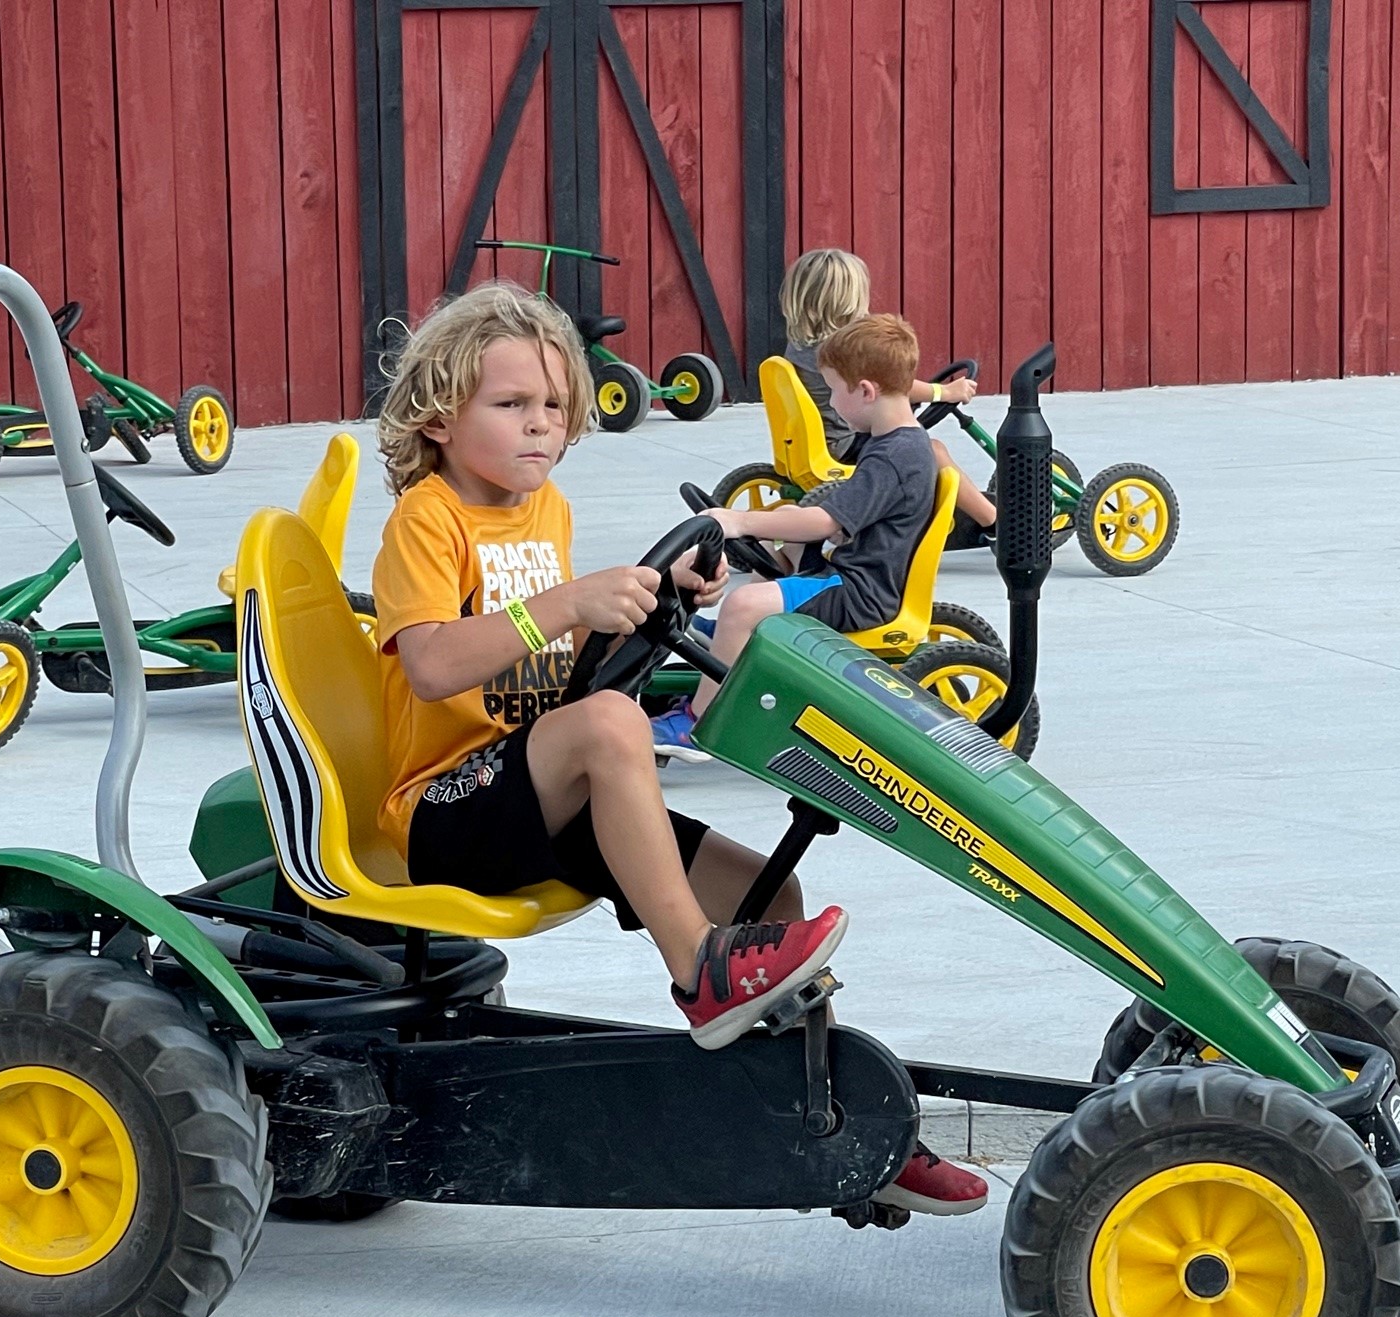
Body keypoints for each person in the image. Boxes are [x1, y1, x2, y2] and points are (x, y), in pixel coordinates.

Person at [370, 281, 986, 1216]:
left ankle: (825, 1120)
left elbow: (567, 675)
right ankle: (701, 970)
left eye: (553, 407)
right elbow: (430, 665)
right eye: (509, 406)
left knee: (770, 897)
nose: (539, 427)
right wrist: (568, 604)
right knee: (618, 726)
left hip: (542, 797)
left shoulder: (546, 513)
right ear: (440, 416)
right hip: (447, 810)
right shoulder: (429, 518)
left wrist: (657, 600)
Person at [649, 313, 937, 749]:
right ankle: (732, 640)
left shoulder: (894, 457)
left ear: (865, 391)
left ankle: (697, 724)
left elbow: (825, 521)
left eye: (834, 391)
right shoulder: (894, 441)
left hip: (861, 592)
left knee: (743, 604)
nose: (832, 403)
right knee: (783, 519)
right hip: (854, 569)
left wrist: (739, 520)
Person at [779, 247, 995, 534]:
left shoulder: (800, 344)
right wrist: (945, 392)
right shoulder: (841, 350)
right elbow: (893, 386)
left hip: (823, 439)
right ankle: (993, 521)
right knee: (933, 451)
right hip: (846, 443)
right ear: (848, 301)